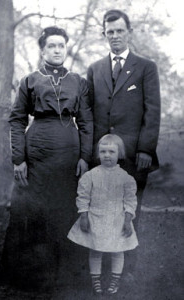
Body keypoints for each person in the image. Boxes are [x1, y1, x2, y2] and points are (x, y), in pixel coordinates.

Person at [0, 26, 93, 291]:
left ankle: (67, 278)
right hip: (37, 153)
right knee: (31, 210)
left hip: (69, 155)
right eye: (51, 46)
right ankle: (29, 277)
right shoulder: (30, 80)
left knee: (66, 210)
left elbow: (86, 122)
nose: (57, 50)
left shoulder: (78, 81)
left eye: (61, 45)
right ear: (42, 50)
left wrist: (85, 156)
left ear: (66, 48)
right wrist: (19, 158)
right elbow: (17, 120)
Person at [87, 9, 161, 232]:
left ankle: (127, 267)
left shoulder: (146, 67)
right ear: (104, 34)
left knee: (129, 215)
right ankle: (101, 267)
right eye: (110, 32)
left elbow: (153, 110)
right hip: (101, 155)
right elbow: (88, 112)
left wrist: (146, 149)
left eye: (120, 30)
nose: (115, 35)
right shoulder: (95, 69)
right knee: (100, 212)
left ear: (129, 32)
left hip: (134, 156)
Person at [68, 134, 138, 295]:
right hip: (96, 218)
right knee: (95, 250)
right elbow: (83, 197)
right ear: (98, 153)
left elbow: (130, 201)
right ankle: (96, 281)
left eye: (112, 152)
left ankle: (115, 280)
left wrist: (128, 220)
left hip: (117, 220)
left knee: (117, 251)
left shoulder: (126, 178)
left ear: (119, 154)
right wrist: (84, 216)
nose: (107, 155)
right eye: (103, 151)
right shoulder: (90, 176)